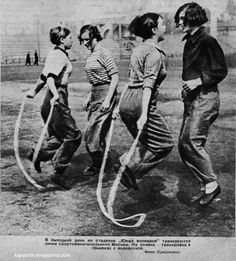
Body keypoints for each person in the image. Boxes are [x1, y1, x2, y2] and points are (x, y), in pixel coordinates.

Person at [174, 2, 228, 205]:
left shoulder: (207, 40)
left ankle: (212, 185)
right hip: (192, 99)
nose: (179, 23)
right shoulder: (189, 41)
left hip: (206, 97)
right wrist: (186, 88)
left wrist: (198, 81)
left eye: (182, 19)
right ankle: (207, 185)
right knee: (184, 144)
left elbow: (221, 70)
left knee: (191, 141)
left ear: (193, 18)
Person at [115, 13, 174, 190]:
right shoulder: (155, 53)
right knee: (164, 143)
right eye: (162, 24)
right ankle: (128, 166)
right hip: (140, 101)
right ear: (154, 29)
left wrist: (119, 106)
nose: (166, 27)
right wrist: (144, 114)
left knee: (147, 141)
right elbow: (147, 85)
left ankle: (126, 166)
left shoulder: (138, 49)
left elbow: (129, 80)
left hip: (127, 101)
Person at [26, 26, 82, 189]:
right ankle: (58, 172)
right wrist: (56, 95)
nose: (72, 40)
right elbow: (50, 78)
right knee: (73, 136)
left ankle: (37, 153)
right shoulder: (59, 56)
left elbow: (43, 76)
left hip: (48, 99)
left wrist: (35, 91)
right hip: (57, 98)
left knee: (58, 138)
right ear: (62, 39)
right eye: (70, 37)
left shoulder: (53, 53)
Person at [78, 25, 119, 176]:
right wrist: (90, 95)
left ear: (95, 37)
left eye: (87, 39)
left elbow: (114, 76)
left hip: (105, 94)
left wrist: (108, 99)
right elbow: (95, 80)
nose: (85, 43)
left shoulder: (103, 52)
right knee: (96, 132)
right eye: (82, 40)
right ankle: (102, 163)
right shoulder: (91, 55)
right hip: (95, 94)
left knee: (92, 133)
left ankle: (99, 163)